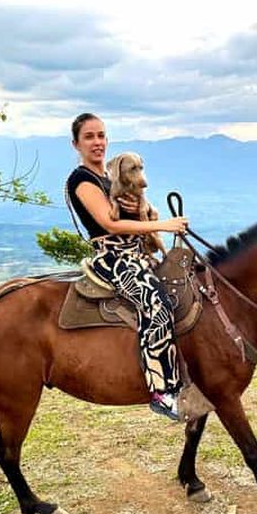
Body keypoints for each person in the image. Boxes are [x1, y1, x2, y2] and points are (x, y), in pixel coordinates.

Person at [66, 112, 189, 420]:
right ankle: (162, 392)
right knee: (157, 305)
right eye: (89, 137)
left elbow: (134, 210)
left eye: (101, 135)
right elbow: (110, 224)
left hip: (137, 254)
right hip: (114, 259)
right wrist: (164, 225)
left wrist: (146, 210)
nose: (97, 142)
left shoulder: (111, 179)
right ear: (76, 144)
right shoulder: (81, 180)